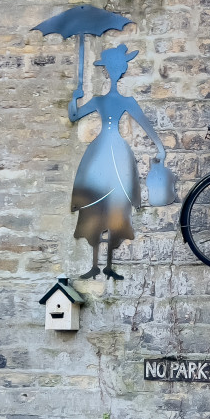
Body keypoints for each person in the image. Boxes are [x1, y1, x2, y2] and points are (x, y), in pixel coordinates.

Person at [68, 44, 166, 280]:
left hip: (110, 151)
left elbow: (144, 124)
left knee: (118, 204)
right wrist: (75, 99)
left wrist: (160, 147)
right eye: (114, 68)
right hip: (104, 151)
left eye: (117, 68)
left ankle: (108, 264)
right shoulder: (101, 101)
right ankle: (96, 264)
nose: (116, 72)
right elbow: (74, 115)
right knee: (95, 203)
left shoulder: (124, 101)